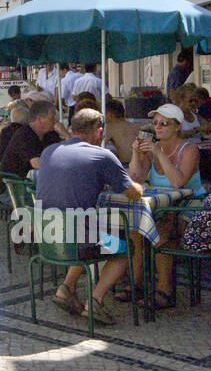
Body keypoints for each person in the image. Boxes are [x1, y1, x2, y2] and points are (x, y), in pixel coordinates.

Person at [36, 109, 143, 325]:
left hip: (47, 238)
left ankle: (65, 288)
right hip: (78, 240)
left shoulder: (48, 151)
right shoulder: (101, 155)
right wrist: (140, 184)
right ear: (98, 131)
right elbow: (133, 193)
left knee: (88, 232)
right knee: (124, 246)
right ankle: (95, 300)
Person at [128, 103, 204, 309]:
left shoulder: (189, 149)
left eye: (164, 124)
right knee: (135, 229)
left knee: (161, 230)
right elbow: (136, 177)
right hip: (162, 207)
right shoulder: (154, 148)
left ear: (177, 127)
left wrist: (157, 152)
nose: (158, 127)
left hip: (189, 208)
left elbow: (179, 182)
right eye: (155, 123)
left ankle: (165, 291)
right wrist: (136, 154)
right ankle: (137, 284)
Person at [0, 100, 63, 176]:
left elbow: (67, 153)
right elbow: (37, 164)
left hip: (34, 180)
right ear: (40, 119)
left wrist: (65, 134)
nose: (55, 122)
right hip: (18, 184)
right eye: (52, 119)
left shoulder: (50, 134)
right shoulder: (25, 134)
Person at [103, 98, 137, 166]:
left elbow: (101, 145)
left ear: (110, 115)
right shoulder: (135, 126)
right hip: (139, 162)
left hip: (125, 163)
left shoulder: (110, 127)